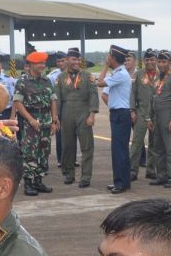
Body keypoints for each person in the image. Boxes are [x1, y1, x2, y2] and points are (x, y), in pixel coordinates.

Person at [14, 50, 59, 196]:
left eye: (43, 63)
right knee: (29, 152)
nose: (42, 65)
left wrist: (55, 120)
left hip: (45, 120)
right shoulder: (22, 82)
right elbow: (18, 103)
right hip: (30, 122)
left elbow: (53, 100)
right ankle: (28, 182)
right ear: (31, 65)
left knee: (44, 151)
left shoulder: (47, 81)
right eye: (39, 63)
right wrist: (30, 119)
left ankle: (38, 181)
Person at [56, 46, 99, 188]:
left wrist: (92, 114)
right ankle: (69, 174)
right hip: (66, 113)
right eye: (74, 59)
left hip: (83, 113)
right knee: (67, 146)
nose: (77, 62)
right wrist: (56, 118)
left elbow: (93, 95)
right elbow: (57, 99)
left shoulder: (88, 76)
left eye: (78, 59)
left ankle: (86, 176)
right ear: (67, 60)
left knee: (87, 146)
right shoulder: (60, 77)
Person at [96, 45, 132, 194]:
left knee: (119, 150)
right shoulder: (118, 73)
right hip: (118, 113)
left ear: (113, 58)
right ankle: (122, 180)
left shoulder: (120, 74)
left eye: (108, 57)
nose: (107, 59)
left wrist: (105, 65)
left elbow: (99, 82)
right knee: (118, 149)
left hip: (121, 114)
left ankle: (121, 183)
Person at [148, 49, 171, 188]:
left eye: (164, 62)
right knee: (158, 148)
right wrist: (149, 118)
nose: (161, 64)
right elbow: (153, 98)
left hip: (168, 117)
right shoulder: (158, 78)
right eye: (159, 62)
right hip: (157, 117)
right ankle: (161, 176)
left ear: (169, 63)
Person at [130, 50, 156, 181]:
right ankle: (132, 171)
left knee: (154, 144)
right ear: (144, 61)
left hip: (156, 114)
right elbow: (132, 94)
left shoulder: (161, 75)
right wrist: (132, 110)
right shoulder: (138, 75)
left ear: (156, 60)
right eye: (147, 60)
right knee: (136, 143)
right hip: (141, 113)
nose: (150, 62)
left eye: (152, 59)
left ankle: (151, 170)